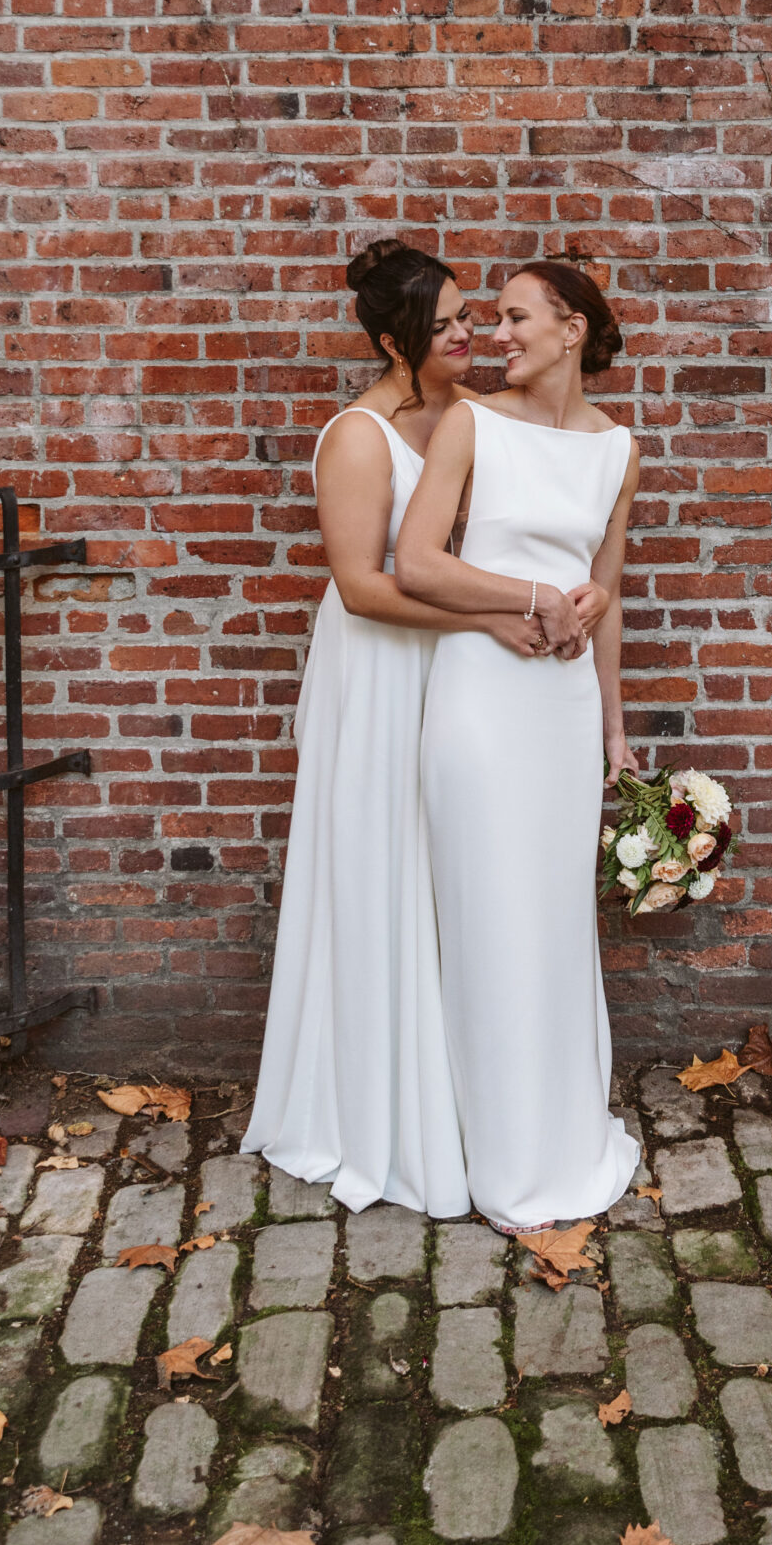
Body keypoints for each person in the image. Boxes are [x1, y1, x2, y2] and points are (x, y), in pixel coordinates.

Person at [242, 240, 539, 1216]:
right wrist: (488, 619)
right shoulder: (359, 438)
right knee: (385, 865)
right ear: (391, 340)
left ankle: (460, 1096)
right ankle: (370, 1107)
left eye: (469, 316)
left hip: (453, 665)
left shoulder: (470, 417)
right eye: (447, 323)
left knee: (452, 871)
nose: (469, 334)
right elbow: (365, 589)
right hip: (379, 672)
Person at [396, 259, 643, 1231]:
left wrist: (615, 731)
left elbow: (606, 594)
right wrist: (530, 596)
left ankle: (563, 1136)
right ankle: (493, 1155)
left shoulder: (618, 448)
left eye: (515, 316)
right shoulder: (471, 424)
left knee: (553, 924)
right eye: (494, 319)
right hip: (483, 700)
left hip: (563, 710)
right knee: (489, 918)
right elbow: (417, 564)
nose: (497, 334)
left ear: (572, 328)